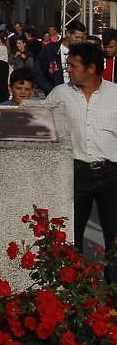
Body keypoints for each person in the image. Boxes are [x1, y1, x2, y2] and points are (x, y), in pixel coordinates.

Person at [43, 41, 117, 283]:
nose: (68, 70)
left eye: (73, 65)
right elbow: (42, 127)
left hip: (111, 174)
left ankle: (111, 294)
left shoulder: (115, 95)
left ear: (92, 68)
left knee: (114, 238)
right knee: (71, 235)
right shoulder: (60, 94)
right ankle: (75, 291)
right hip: (75, 172)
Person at [36, 22, 86, 94]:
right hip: (55, 93)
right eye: (77, 37)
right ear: (68, 34)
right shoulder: (50, 49)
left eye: (82, 38)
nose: (80, 40)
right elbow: (38, 72)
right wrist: (50, 90)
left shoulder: (84, 52)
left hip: (77, 94)